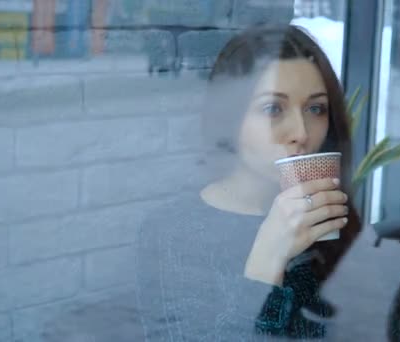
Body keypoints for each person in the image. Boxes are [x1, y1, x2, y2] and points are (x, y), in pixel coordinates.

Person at [135, 25, 362, 340]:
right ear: (230, 119)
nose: (301, 132)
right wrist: (268, 257)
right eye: (273, 108)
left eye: (315, 108)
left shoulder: (332, 216)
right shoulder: (173, 233)